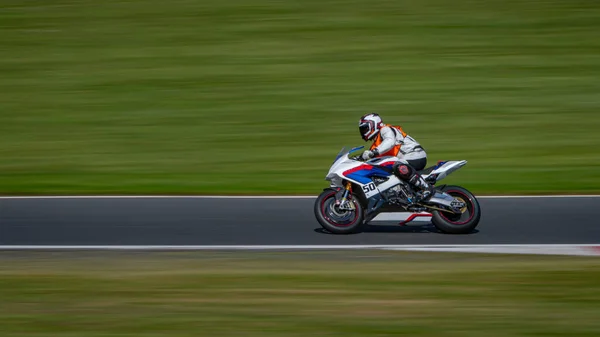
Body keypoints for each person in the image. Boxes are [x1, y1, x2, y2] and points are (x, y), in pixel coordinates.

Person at [358, 113, 434, 201]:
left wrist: (372, 153)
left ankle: (426, 188)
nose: (363, 132)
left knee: (398, 166)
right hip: (405, 159)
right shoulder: (376, 144)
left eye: (365, 128)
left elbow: (390, 142)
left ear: (373, 124)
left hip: (415, 155)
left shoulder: (385, 129)